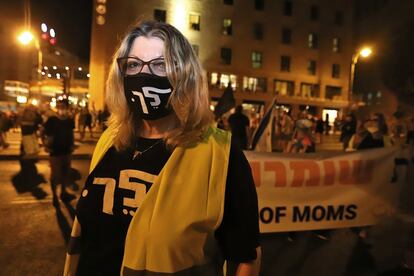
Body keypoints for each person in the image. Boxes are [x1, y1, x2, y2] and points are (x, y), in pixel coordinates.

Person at [64, 20, 261, 276]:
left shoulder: (220, 153)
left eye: (160, 64)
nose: (144, 75)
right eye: (134, 64)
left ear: (185, 74)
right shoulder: (110, 140)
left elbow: (245, 257)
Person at [43, 99, 76, 205]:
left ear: (67, 107)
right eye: (59, 106)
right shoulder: (52, 120)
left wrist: (72, 145)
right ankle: (54, 197)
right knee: (55, 175)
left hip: (67, 151)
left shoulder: (70, 120)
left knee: (65, 174)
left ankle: (63, 192)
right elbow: (43, 132)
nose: (61, 108)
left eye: (63, 106)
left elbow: (71, 133)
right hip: (55, 152)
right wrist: (45, 145)